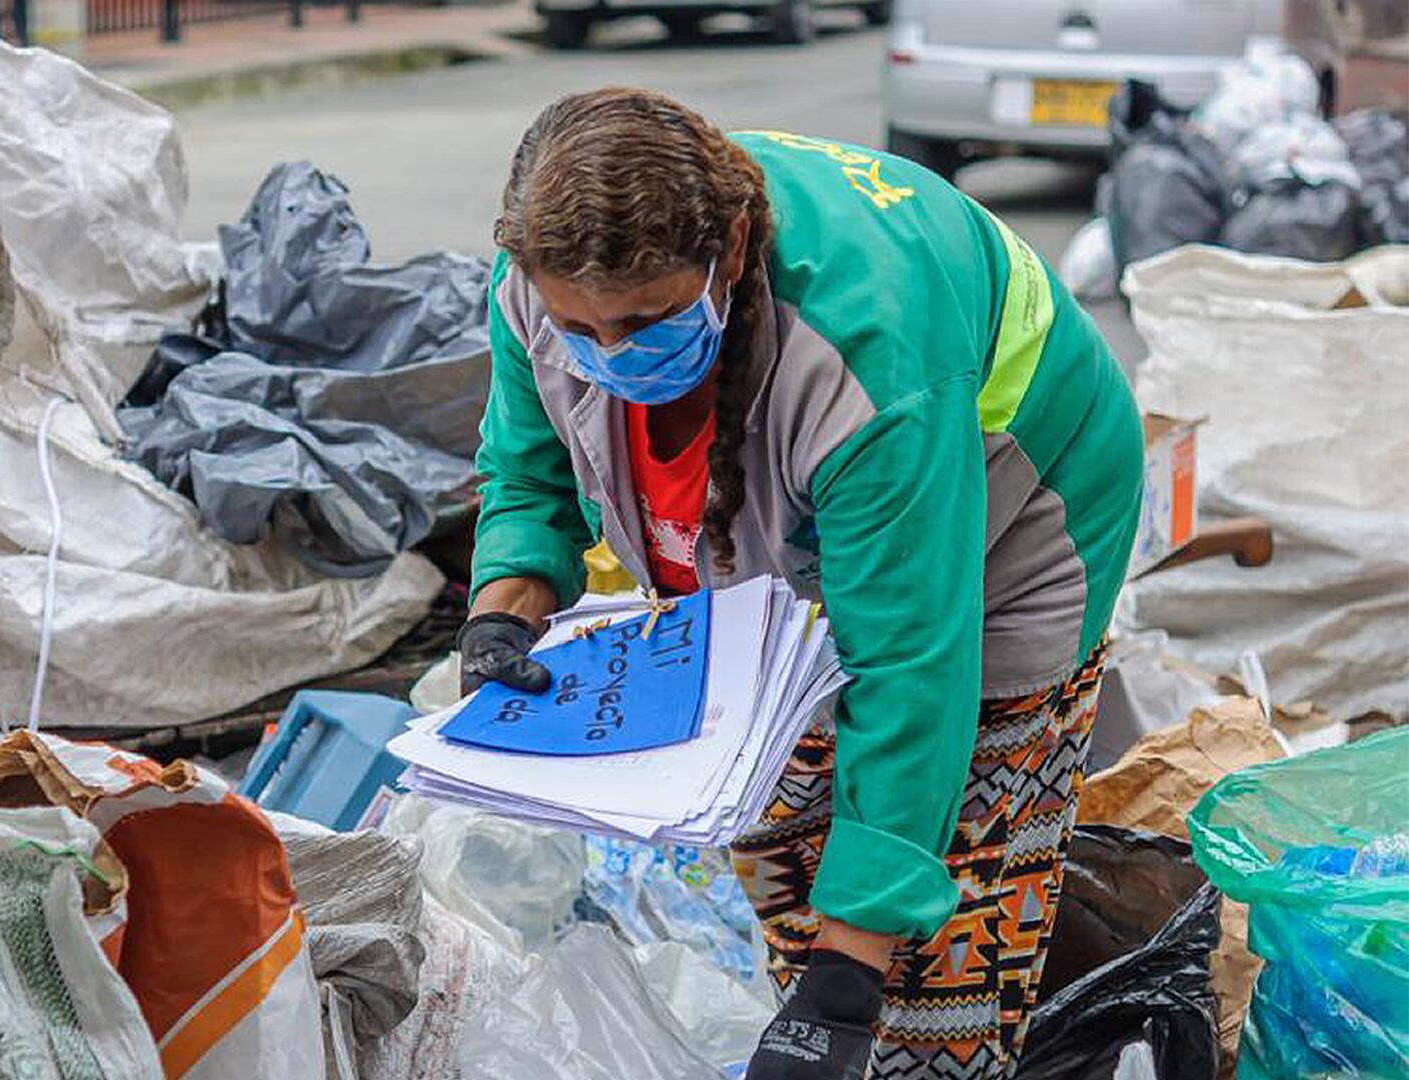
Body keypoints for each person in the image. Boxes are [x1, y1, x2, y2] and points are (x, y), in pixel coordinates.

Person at [458, 88, 1143, 1080]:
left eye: (645, 321)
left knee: (942, 936)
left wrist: (848, 979)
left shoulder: (862, 356)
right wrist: (501, 613)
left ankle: (951, 1044)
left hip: (1018, 510)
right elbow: (527, 477)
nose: (610, 355)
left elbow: (911, 669)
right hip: (835, 527)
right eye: (583, 330)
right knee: (781, 820)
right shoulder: (539, 280)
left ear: (730, 253)